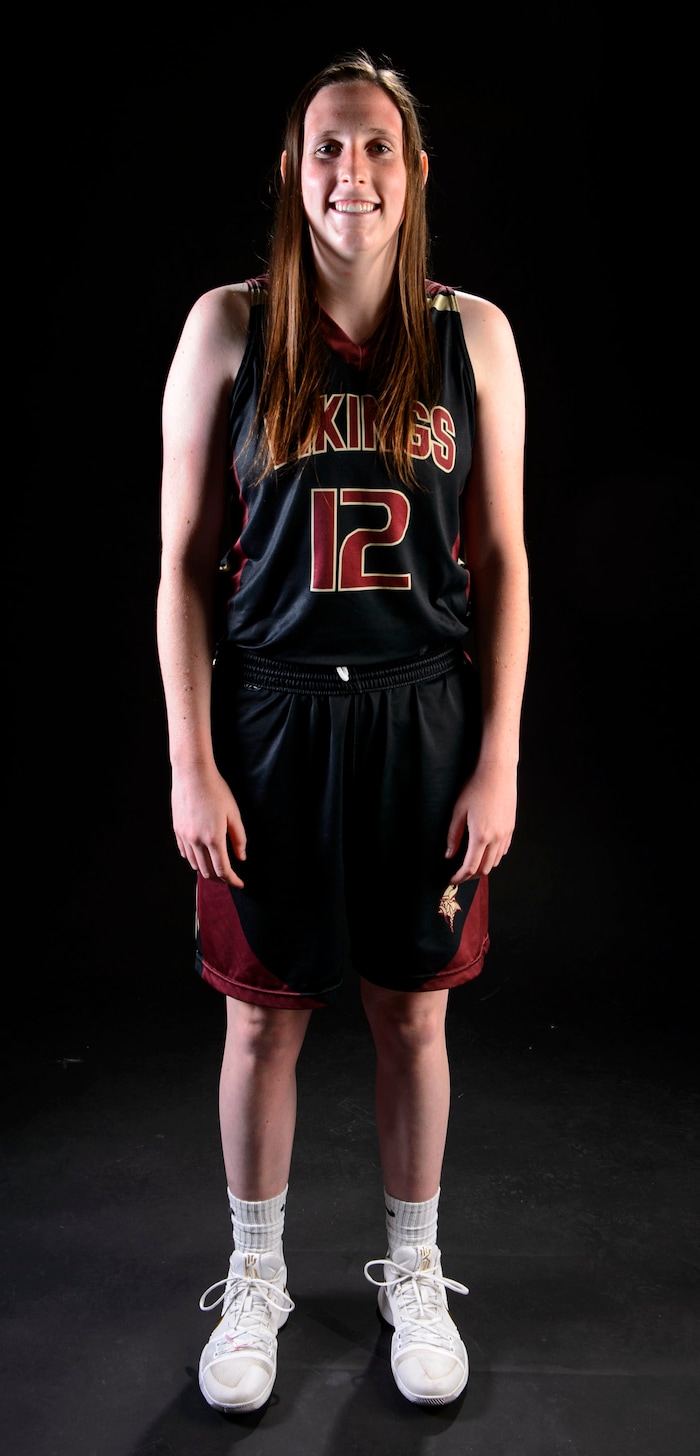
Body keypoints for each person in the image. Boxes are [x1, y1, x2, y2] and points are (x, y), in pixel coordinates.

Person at [156, 49, 529, 1416]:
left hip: (421, 706)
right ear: (291, 169)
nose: (350, 173)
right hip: (271, 710)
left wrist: (497, 755)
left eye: (375, 147)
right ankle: (255, 1275)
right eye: (326, 147)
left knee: (412, 1014)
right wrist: (193, 759)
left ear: (415, 172)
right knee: (263, 1023)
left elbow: (507, 561)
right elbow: (179, 567)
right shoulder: (230, 325)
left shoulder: (472, 334)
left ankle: (412, 1269)